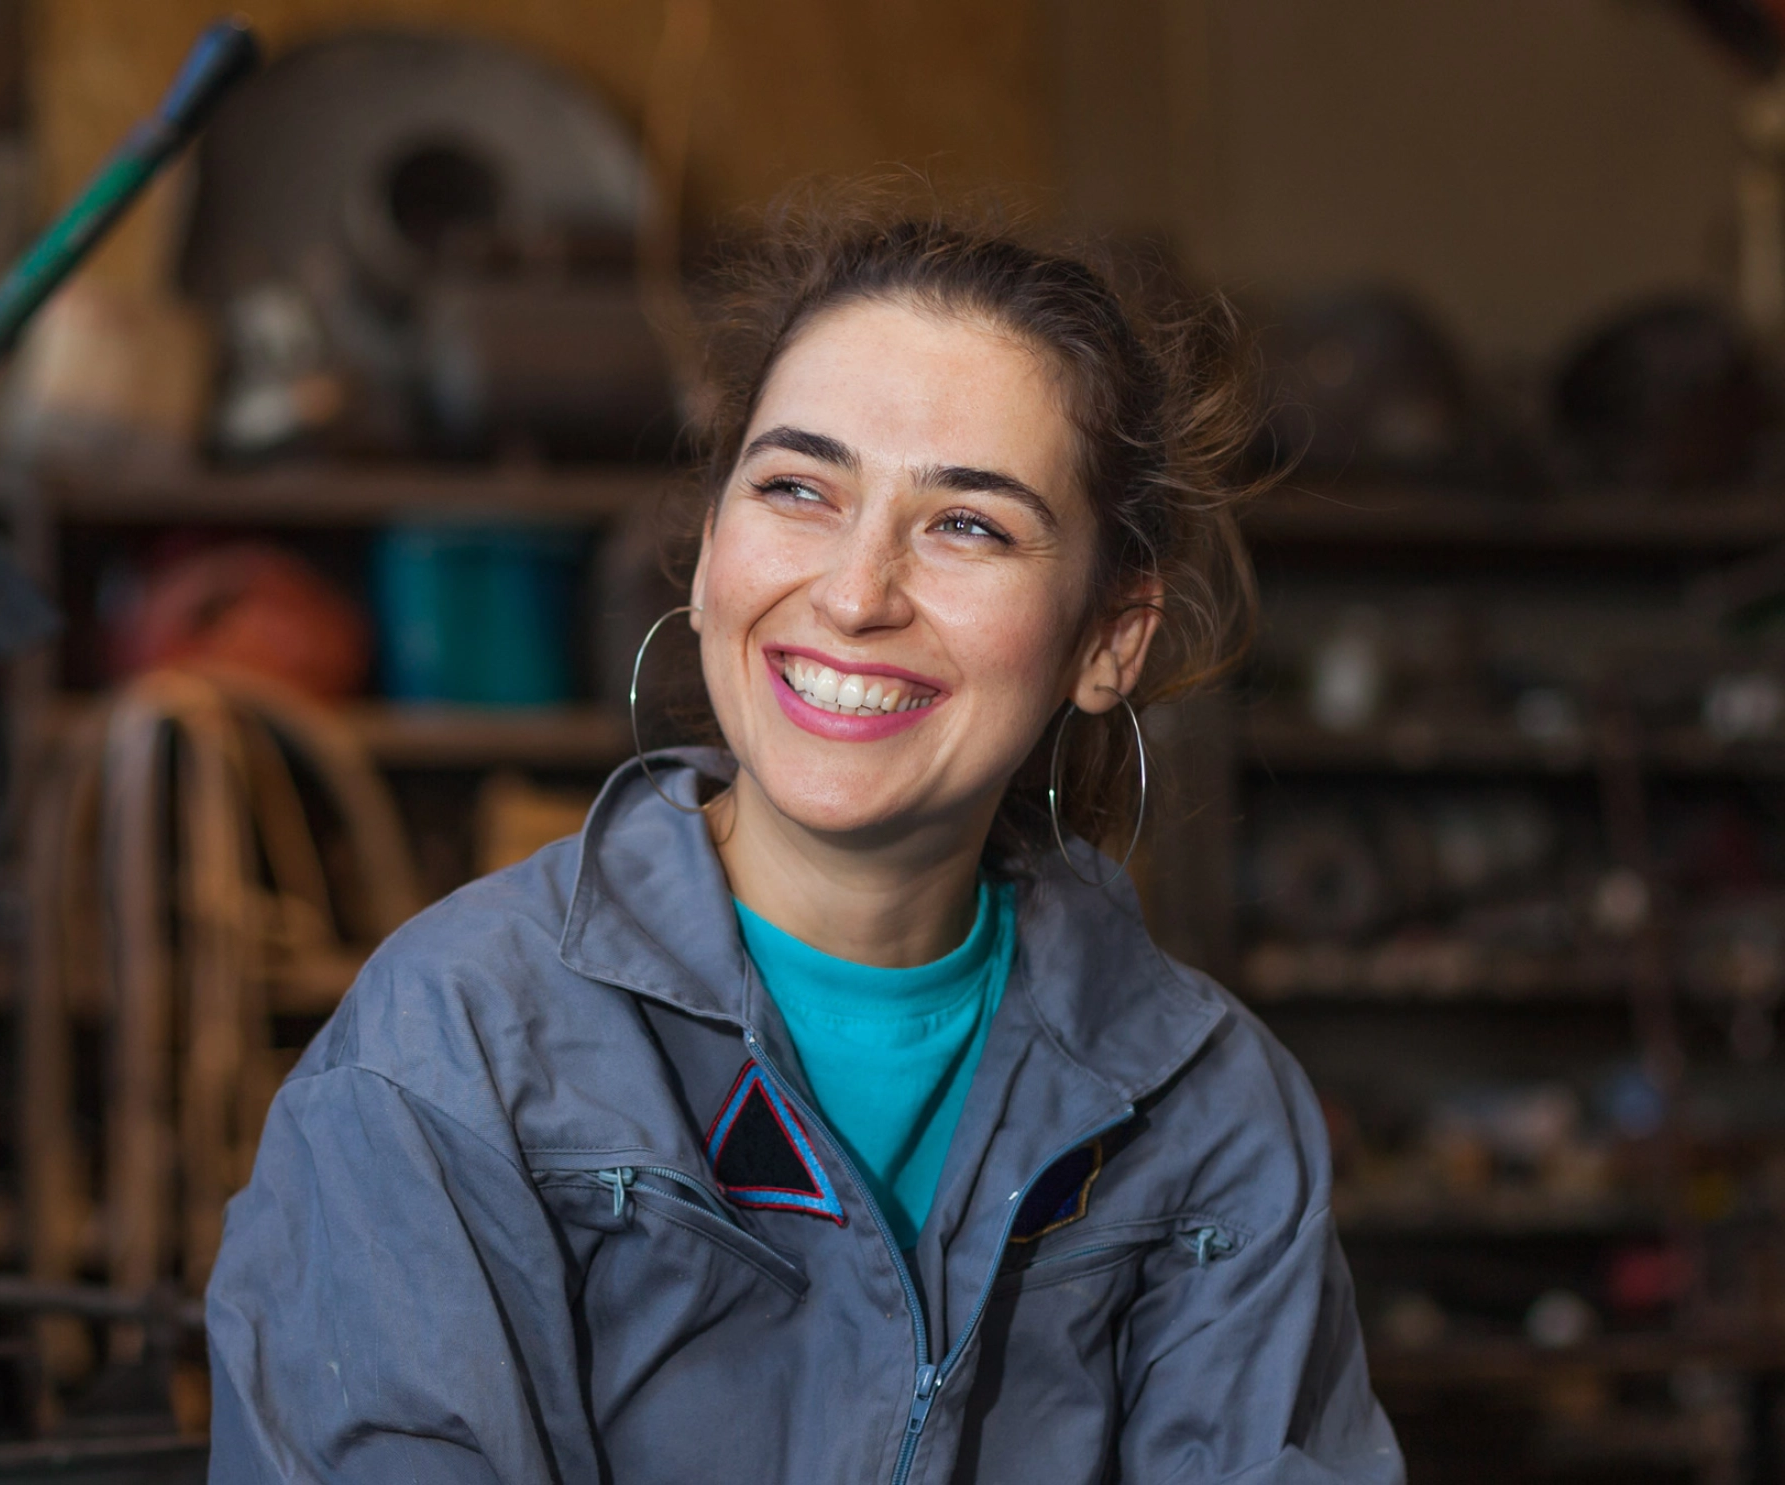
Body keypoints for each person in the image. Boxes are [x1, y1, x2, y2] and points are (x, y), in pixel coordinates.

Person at [205, 201, 1403, 1484]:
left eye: (968, 525)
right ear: (713, 545)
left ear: (1110, 637)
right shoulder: (450, 1052)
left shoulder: (1212, 1110)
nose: (852, 593)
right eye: (796, 488)